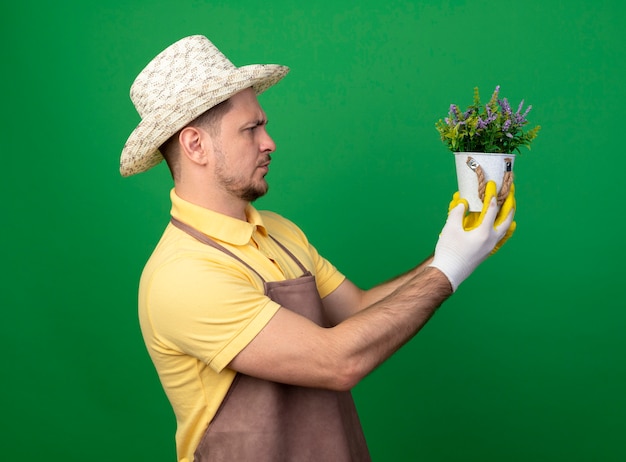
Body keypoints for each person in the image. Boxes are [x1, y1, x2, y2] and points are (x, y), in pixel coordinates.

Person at [120, 35, 515, 462]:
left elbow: (359, 309)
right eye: (251, 128)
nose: (269, 142)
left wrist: (456, 247)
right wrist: (449, 268)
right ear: (195, 145)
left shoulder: (279, 232)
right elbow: (338, 361)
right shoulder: (184, 275)